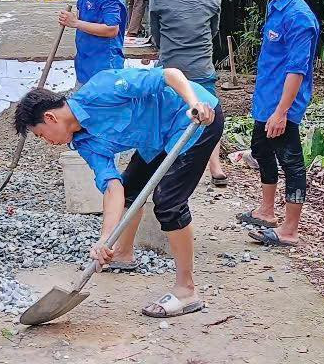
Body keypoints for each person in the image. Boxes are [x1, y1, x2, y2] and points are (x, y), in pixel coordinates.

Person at [14, 67, 223, 318]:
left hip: (192, 121)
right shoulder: (84, 142)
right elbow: (113, 187)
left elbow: (169, 75)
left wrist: (194, 104)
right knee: (131, 187)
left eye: (41, 135)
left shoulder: (103, 88)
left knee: (169, 203)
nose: (47, 141)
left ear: (50, 118)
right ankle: (122, 254)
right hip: (155, 139)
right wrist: (104, 239)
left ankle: (187, 290)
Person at [238, 0, 320, 247]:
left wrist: (282, 112)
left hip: (283, 104)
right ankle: (267, 211)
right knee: (261, 151)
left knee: (292, 164)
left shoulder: (300, 18)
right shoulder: (276, 4)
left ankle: (289, 230)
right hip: (266, 99)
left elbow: (297, 70)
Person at [148, 0, 228, 187]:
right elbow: (213, 30)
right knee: (209, 117)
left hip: (171, 69)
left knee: (165, 116)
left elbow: (156, 34)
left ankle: (164, 167)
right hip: (202, 68)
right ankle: (215, 168)